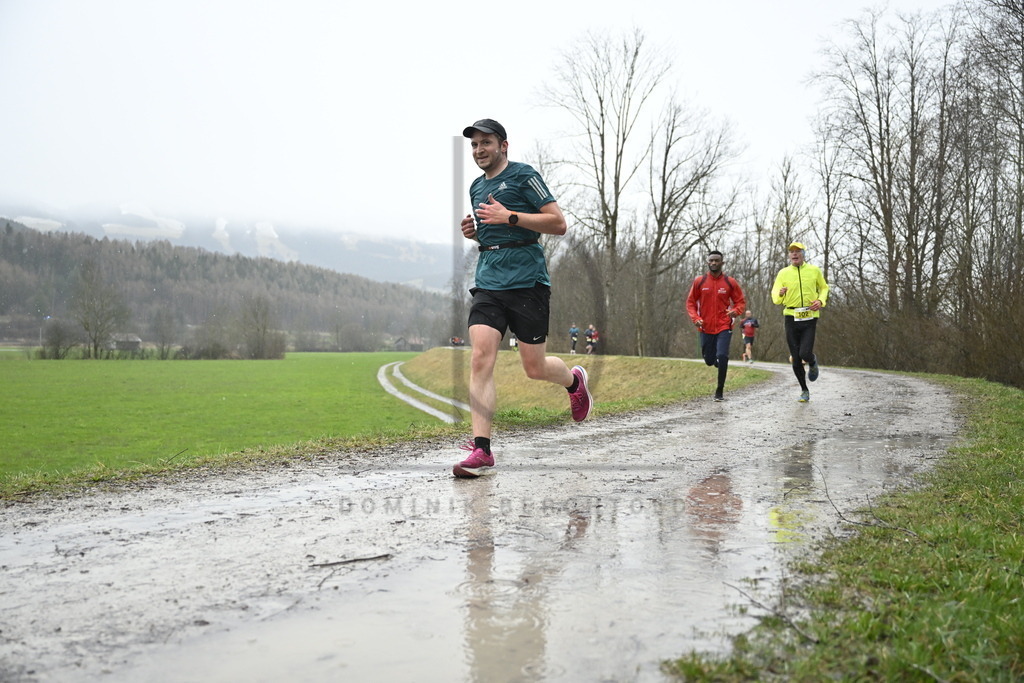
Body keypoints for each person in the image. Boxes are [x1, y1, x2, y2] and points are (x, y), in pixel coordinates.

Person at [454, 118, 593, 478]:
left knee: (534, 368)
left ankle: (573, 381)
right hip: (488, 280)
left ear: (503, 145)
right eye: (474, 145)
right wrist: (475, 234)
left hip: (527, 281)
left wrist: (510, 216)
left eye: (486, 142)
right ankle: (482, 450)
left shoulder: (523, 175)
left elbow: (557, 223)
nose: (479, 150)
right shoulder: (475, 186)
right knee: (480, 357)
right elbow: (493, 232)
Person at [771, 241, 830, 402]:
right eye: (792, 252)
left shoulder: (814, 270)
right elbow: (775, 296)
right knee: (796, 358)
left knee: (804, 353)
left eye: (798, 251)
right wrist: (780, 294)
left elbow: (824, 288)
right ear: (789, 255)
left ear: (803, 254)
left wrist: (820, 301)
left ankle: (812, 360)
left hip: (810, 316)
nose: (794, 254)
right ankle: (804, 389)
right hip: (791, 316)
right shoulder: (783, 273)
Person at [685, 249, 746, 402]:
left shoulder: (730, 282)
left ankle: (719, 391)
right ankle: (715, 361)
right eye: (711, 260)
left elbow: (740, 302)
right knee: (709, 360)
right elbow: (690, 303)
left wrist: (735, 311)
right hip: (705, 326)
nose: (713, 263)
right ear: (708, 262)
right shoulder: (699, 281)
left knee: (722, 355)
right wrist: (695, 318)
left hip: (724, 325)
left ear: (722, 263)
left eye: (716, 260)